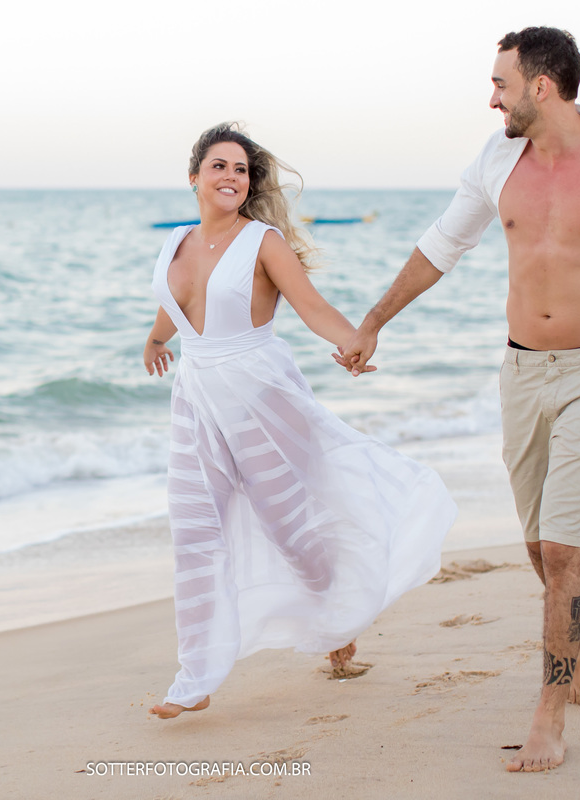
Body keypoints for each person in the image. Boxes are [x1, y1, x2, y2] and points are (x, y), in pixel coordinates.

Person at [336, 27, 580, 771]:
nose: (491, 98)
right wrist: (372, 323)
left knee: (562, 547)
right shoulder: (498, 161)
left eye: (501, 84)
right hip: (522, 372)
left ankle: (549, 715)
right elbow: (439, 248)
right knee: (537, 546)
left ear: (542, 86)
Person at [143, 122, 457, 719]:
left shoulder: (263, 241)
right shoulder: (177, 242)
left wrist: (353, 343)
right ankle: (196, 675)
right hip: (197, 399)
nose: (231, 176)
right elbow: (173, 300)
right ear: (194, 178)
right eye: (219, 166)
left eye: (240, 169)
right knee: (192, 529)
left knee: (289, 526)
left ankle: (339, 623)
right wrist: (157, 340)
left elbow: (311, 306)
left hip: (262, 397)